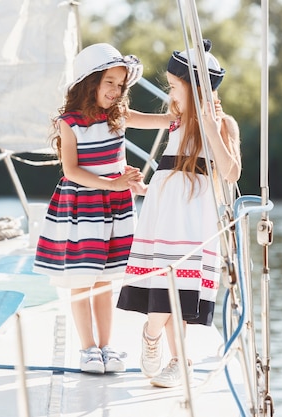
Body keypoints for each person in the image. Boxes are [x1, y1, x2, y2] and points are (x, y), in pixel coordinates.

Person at [32, 43, 171, 374]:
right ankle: (87, 349)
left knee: (105, 283)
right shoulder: (70, 122)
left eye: (120, 85)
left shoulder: (118, 117)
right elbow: (72, 171)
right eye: (109, 82)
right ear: (90, 82)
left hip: (115, 208)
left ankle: (107, 346)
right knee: (83, 280)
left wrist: (183, 116)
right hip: (82, 207)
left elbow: (160, 122)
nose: (116, 90)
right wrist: (113, 184)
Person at [116, 40, 242, 388]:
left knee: (181, 291)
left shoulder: (223, 124)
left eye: (174, 87)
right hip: (164, 211)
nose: (169, 94)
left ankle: (177, 358)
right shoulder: (172, 121)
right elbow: (121, 117)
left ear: (196, 89)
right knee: (162, 284)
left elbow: (231, 173)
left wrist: (210, 125)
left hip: (194, 217)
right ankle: (154, 336)